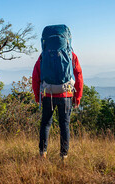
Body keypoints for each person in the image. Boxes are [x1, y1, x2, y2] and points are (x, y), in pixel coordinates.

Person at [32, 27, 83, 160]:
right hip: (66, 95)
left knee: (45, 124)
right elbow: (78, 75)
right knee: (64, 125)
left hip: (48, 95)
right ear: (67, 40)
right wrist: (78, 97)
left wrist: (38, 97)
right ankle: (64, 156)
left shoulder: (43, 56)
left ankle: (42, 153)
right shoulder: (72, 55)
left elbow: (35, 77)